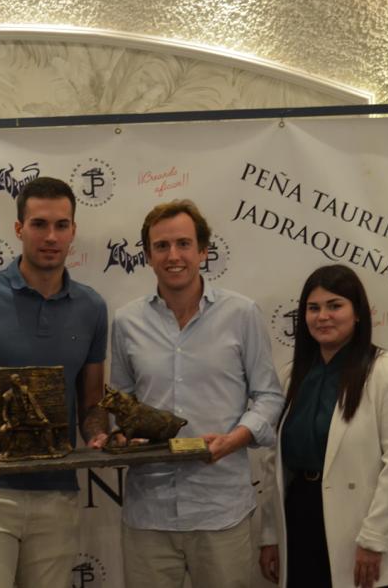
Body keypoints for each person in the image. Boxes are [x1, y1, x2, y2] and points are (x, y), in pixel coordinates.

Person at [0, 176, 109, 588]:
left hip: (57, 490)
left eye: (61, 225)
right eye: (39, 224)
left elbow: (92, 402)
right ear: (18, 228)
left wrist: (99, 434)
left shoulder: (92, 307)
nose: (51, 237)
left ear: (73, 231)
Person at [111, 199, 285, 588]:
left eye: (184, 244)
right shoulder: (125, 322)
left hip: (221, 510)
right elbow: (120, 402)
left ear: (203, 251)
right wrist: (121, 434)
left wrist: (235, 438)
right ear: (148, 256)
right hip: (148, 514)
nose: (173, 256)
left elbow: (269, 396)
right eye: (161, 246)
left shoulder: (242, 314)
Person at [259, 264, 388, 588]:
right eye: (313, 308)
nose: (323, 317)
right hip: (300, 518)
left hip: (365, 526)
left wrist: (374, 538)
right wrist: (270, 534)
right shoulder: (292, 375)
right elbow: (274, 463)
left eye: (335, 306)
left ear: (358, 313)